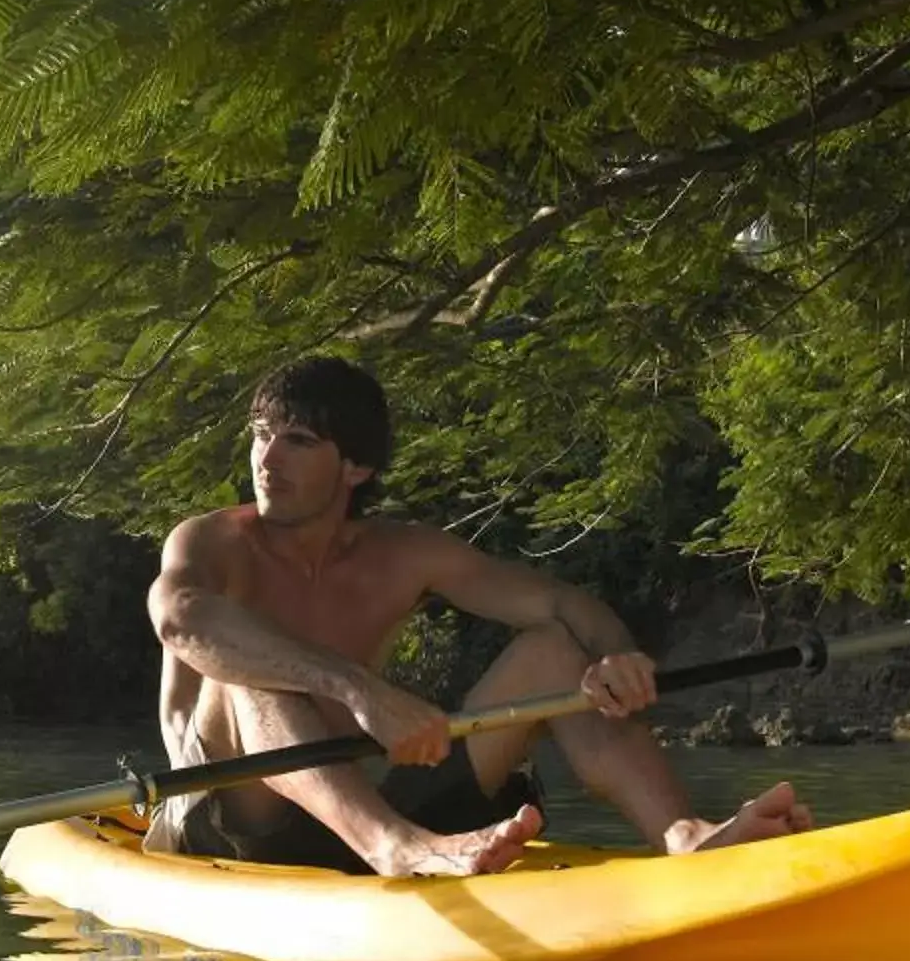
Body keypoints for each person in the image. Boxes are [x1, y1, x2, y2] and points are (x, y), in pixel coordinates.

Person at [146, 356, 815, 876]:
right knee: (242, 664)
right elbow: (181, 620)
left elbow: (562, 603)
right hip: (228, 821)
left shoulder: (402, 554)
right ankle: (398, 846)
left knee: (557, 649)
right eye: (261, 436)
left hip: (355, 810)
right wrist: (357, 687)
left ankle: (682, 835)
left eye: (295, 440)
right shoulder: (210, 543)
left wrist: (617, 655)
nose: (266, 460)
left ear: (356, 467)